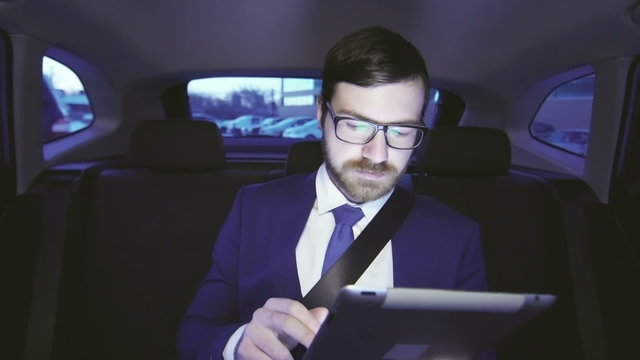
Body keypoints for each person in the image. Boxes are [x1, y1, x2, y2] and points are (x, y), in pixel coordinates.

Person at [177, 26, 489, 360]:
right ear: (322, 113)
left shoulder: (457, 237)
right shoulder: (253, 208)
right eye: (355, 126)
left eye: (401, 130)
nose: (377, 154)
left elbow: (478, 350)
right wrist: (238, 344)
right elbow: (194, 335)